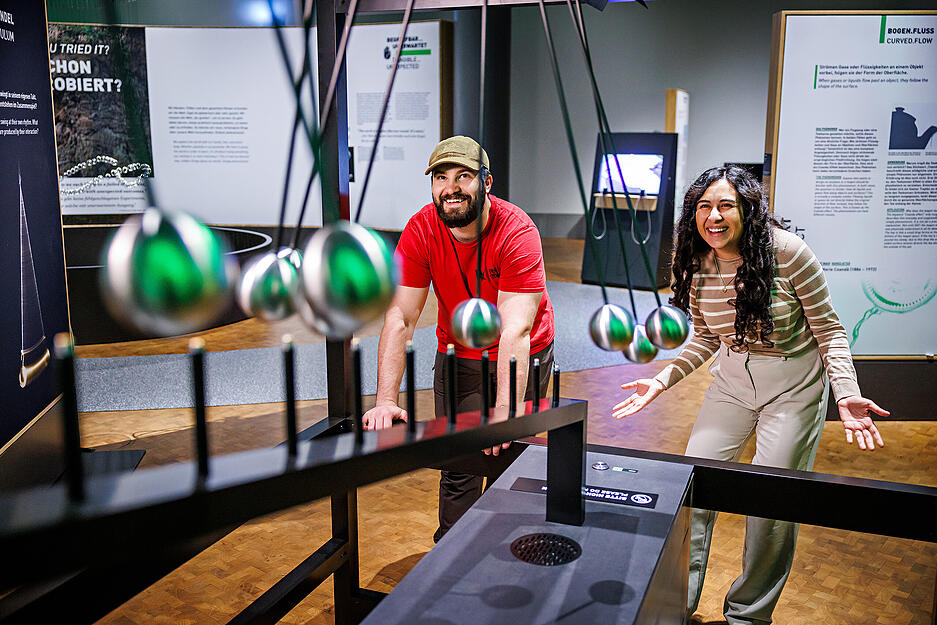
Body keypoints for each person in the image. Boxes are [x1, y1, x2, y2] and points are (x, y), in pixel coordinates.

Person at [612, 165, 888, 625]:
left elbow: (830, 332)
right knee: (693, 487)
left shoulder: (790, 253)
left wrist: (845, 394)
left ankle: (747, 615)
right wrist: (662, 379)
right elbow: (704, 338)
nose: (713, 217)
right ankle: (676, 604)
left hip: (793, 383)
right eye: (703, 206)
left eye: (725, 205)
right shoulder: (695, 257)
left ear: (748, 210)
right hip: (731, 380)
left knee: (770, 505)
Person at [362, 135, 555, 542]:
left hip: (525, 350)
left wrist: (505, 411)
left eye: (464, 176)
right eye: (441, 177)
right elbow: (400, 317)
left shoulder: (516, 231)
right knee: (459, 463)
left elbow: (515, 329)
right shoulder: (421, 228)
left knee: (512, 457)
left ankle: (511, 559)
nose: (451, 188)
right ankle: (451, 559)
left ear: (487, 182)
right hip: (458, 352)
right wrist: (384, 401)